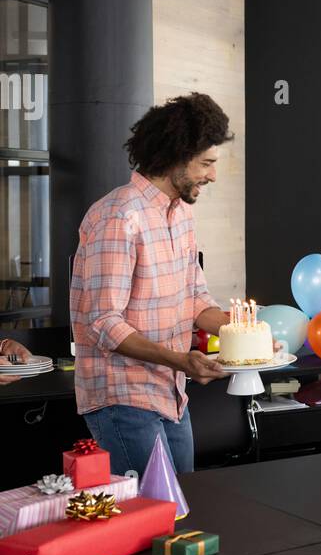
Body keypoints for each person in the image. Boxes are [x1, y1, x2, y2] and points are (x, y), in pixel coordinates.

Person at [70, 93, 233, 478]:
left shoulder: (182, 217)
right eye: (206, 163)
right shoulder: (118, 215)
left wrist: (243, 334)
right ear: (176, 155)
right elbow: (103, 323)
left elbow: (194, 299)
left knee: (186, 512)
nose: (213, 175)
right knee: (151, 523)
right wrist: (181, 360)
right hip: (122, 396)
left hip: (171, 394)